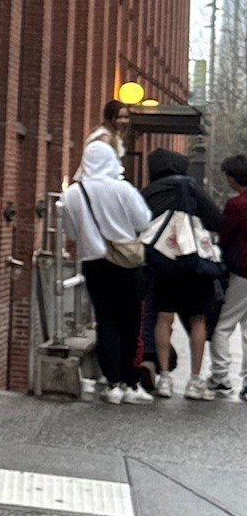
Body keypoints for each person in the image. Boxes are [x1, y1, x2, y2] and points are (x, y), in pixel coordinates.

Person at [62, 138, 153, 403]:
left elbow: (71, 232)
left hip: (94, 264)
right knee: (131, 322)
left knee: (106, 321)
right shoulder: (122, 189)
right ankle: (130, 382)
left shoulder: (73, 194)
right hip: (126, 263)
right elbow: (143, 221)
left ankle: (112, 384)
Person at [142, 148, 225, 399]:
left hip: (163, 265)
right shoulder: (191, 187)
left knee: (163, 318)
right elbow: (215, 219)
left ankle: (164, 378)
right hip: (193, 266)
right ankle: (195, 381)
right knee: (197, 320)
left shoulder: (150, 192)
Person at [208, 152, 247, 399]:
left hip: (242, 270)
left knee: (224, 326)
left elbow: (225, 235)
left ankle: (221, 377)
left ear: (234, 178)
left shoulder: (236, 205)